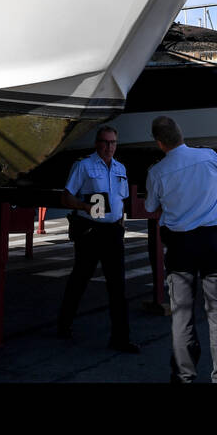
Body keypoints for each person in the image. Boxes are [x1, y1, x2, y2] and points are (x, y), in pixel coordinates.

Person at [144, 115, 217, 383]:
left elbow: (150, 208)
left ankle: (184, 378)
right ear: (181, 135)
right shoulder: (208, 156)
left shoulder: (157, 171)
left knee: (183, 315)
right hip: (212, 241)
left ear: (159, 143)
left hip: (180, 245)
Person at [56, 125, 139, 353]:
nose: (109, 147)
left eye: (113, 143)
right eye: (104, 142)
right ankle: (63, 324)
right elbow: (66, 197)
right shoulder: (83, 166)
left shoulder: (120, 168)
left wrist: (120, 225)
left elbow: (121, 201)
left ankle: (121, 338)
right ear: (97, 143)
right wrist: (84, 206)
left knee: (118, 287)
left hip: (112, 232)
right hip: (90, 231)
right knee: (79, 280)